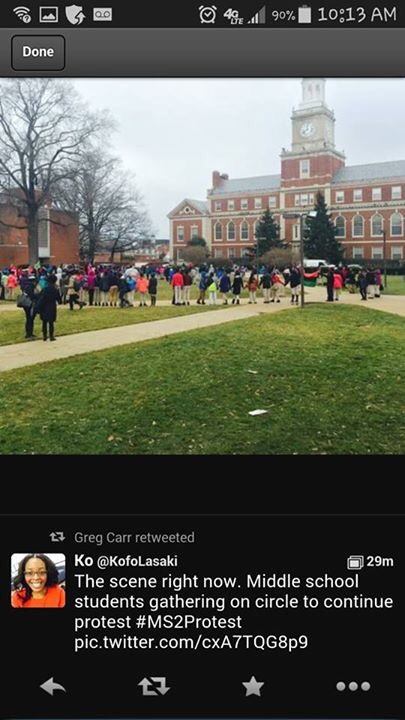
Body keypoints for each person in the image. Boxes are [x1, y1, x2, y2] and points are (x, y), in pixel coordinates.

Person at [35, 274, 62, 341]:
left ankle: (44, 336)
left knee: (44, 322)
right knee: (51, 323)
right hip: (52, 306)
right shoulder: (55, 290)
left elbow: (39, 297)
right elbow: (59, 300)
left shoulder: (44, 289)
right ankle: (51, 336)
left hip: (44, 306)